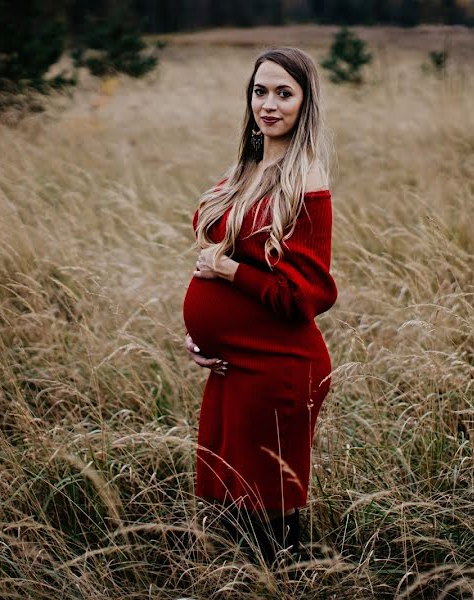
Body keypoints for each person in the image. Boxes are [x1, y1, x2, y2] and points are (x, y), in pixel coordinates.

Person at [181, 46, 337, 565]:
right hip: (232, 366)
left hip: (278, 368)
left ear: (305, 102)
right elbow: (225, 254)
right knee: (228, 503)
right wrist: (199, 337)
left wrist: (226, 272)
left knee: (268, 514)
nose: (268, 104)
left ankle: (289, 585)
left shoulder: (305, 180)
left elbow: (303, 296)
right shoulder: (245, 169)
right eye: (259, 91)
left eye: (283, 93)